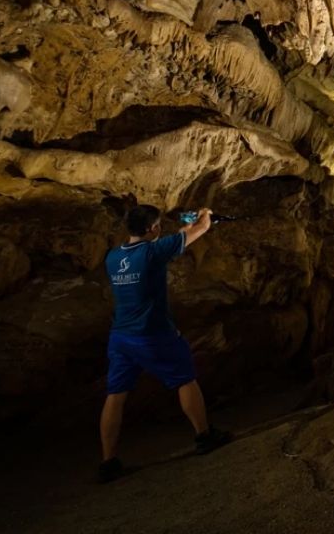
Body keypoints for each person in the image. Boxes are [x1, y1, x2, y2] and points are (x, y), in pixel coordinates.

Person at [98, 205, 231, 483]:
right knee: (185, 378)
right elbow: (203, 227)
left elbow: (176, 240)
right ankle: (204, 435)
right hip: (153, 334)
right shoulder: (152, 252)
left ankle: (108, 461)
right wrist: (205, 214)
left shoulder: (113, 257)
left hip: (120, 336)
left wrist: (184, 230)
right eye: (158, 225)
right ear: (153, 229)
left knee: (116, 394)